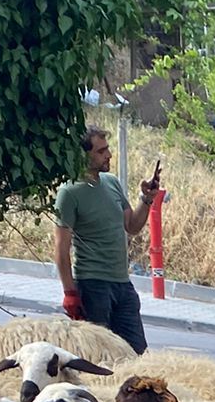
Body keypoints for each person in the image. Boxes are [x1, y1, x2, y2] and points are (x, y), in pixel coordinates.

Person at [53, 127, 159, 354]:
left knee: (137, 354)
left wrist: (147, 199)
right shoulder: (69, 193)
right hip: (92, 286)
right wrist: (70, 293)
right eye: (101, 151)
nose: (108, 155)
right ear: (84, 155)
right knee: (98, 357)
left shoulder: (111, 183)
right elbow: (61, 251)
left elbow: (132, 226)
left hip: (122, 284)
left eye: (108, 149)